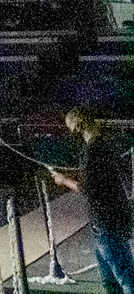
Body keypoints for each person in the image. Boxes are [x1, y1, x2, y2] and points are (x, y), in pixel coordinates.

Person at [51, 108, 134, 293]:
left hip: (106, 222)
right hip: (110, 219)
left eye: (70, 126)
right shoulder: (101, 146)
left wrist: (63, 180)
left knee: (125, 277)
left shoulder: (92, 151)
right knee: (111, 279)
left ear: (79, 124)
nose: (70, 131)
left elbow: (87, 189)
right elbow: (98, 180)